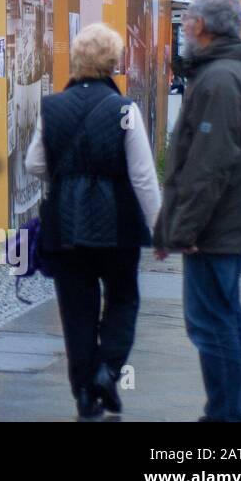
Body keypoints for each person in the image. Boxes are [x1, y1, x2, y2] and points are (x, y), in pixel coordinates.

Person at [26, 23, 160, 421]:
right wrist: (161, 228)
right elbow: (143, 176)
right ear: (114, 63)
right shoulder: (125, 110)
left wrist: (67, 177)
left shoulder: (52, 107)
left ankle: (84, 392)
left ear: (77, 60)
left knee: (76, 310)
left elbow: (34, 163)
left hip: (65, 226)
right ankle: (108, 371)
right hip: (118, 224)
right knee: (122, 299)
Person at [155, 0, 241, 423]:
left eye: (187, 21)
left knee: (212, 326)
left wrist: (185, 230)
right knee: (225, 323)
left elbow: (208, 166)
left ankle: (227, 416)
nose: (183, 28)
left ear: (202, 25)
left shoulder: (220, 80)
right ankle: (234, 413)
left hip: (214, 229)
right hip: (222, 226)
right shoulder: (228, 73)